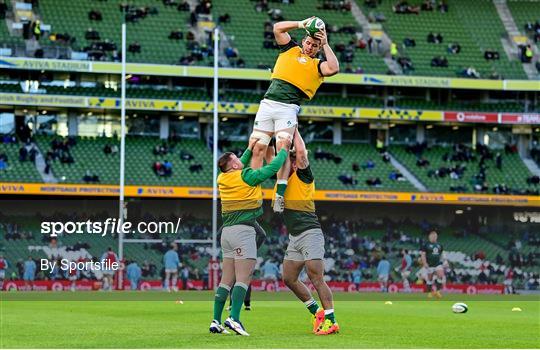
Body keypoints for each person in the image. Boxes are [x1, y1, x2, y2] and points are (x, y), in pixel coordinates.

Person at [248, 17, 339, 213]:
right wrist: (301, 23)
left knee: (283, 148)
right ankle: (253, 195)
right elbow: (277, 28)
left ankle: (279, 193)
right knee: (257, 148)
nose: (310, 47)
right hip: (268, 103)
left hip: (288, 107)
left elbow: (334, 68)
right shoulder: (290, 49)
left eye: (315, 46)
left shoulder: (317, 66)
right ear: (303, 40)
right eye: (308, 42)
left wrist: (326, 44)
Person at [209, 137, 291, 336]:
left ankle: (215, 320)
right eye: (237, 158)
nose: (241, 159)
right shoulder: (246, 176)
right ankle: (234, 319)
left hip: (226, 233)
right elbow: (271, 170)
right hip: (243, 231)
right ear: (235, 164)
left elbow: (238, 163)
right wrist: (283, 151)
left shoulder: (222, 178)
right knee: (244, 277)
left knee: (225, 280)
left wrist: (248, 148)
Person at [279, 130, 339, 335]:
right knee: (288, 277)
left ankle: (331, 320)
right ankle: (317, 312)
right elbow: (274, 156)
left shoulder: (304, 175)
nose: (291, 162)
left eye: (293, 160)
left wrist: (293, 131)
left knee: (316, 277)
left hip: (310, 232)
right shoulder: (283, 179)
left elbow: (302, 153)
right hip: (295, 237)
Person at [420, 230, 447, 298]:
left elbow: (443, 254)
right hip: (429, 264)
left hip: (438, 263)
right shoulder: (426, 245)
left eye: (435, 236)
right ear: (429, 237)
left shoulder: (439, 245)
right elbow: (423, 255)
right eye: (432, 236)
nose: (434, 237)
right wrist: (425, 263)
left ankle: (438, 291)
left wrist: (445, 261)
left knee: (440, 275)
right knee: (430, 279)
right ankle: (429, 293)